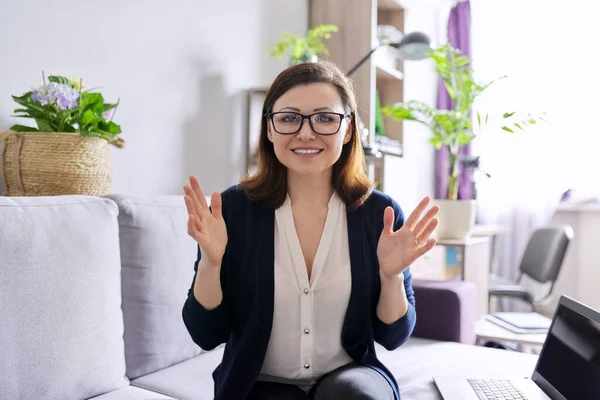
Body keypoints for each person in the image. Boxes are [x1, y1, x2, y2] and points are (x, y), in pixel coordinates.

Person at [182, 61, 439, 400]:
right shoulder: (232, 211)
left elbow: (392, 337)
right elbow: (206, 334)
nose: (306, 132)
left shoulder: (380, 214)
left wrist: (391, 278)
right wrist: (211, 265)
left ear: (348, 130)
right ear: (270, 129)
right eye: (289, 118)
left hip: (351, 380)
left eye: (325, 118)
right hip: (260, 383)